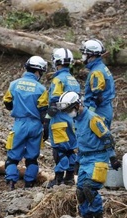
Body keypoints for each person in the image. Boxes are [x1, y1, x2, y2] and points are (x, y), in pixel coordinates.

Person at [56, 91, 121, 218]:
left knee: (89, 188)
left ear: (78, 104)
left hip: (98, 158)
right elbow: (81, 143)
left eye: (69, 109)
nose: (69, 113)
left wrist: (113, 158)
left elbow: (107, 138)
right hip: (85, 159)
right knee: (80, 191)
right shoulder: (76, 121)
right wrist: (77, 163)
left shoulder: (93, 119)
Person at [3, 56, 49, 190]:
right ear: (38, 71)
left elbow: (7, 103)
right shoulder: (41, 89)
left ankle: (11, 183)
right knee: (32, 158)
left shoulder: (14, 84)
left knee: (12, 157)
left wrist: (18, 107)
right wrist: (45, 128)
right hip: (36, 125)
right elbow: (43, 111)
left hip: (19, 124)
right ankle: (29, 184)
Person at [47, 48, 81, 187]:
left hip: (59, 120)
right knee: (70, 149)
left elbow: (55, 102)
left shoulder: (58, 80)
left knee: (59, 150)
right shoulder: (74, 80)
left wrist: (46, 119)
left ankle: (58, 178)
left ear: (57, 62)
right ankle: (69, 177)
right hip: (72, 120)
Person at [80, 39, 116, 129]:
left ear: (91, 55)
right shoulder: (101, 67)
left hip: (99, 112)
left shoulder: (97, 72)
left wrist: (89, 114)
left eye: (85, 54)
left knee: (96, 141)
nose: (83, 56)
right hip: (105, 109)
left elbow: (96, 97)